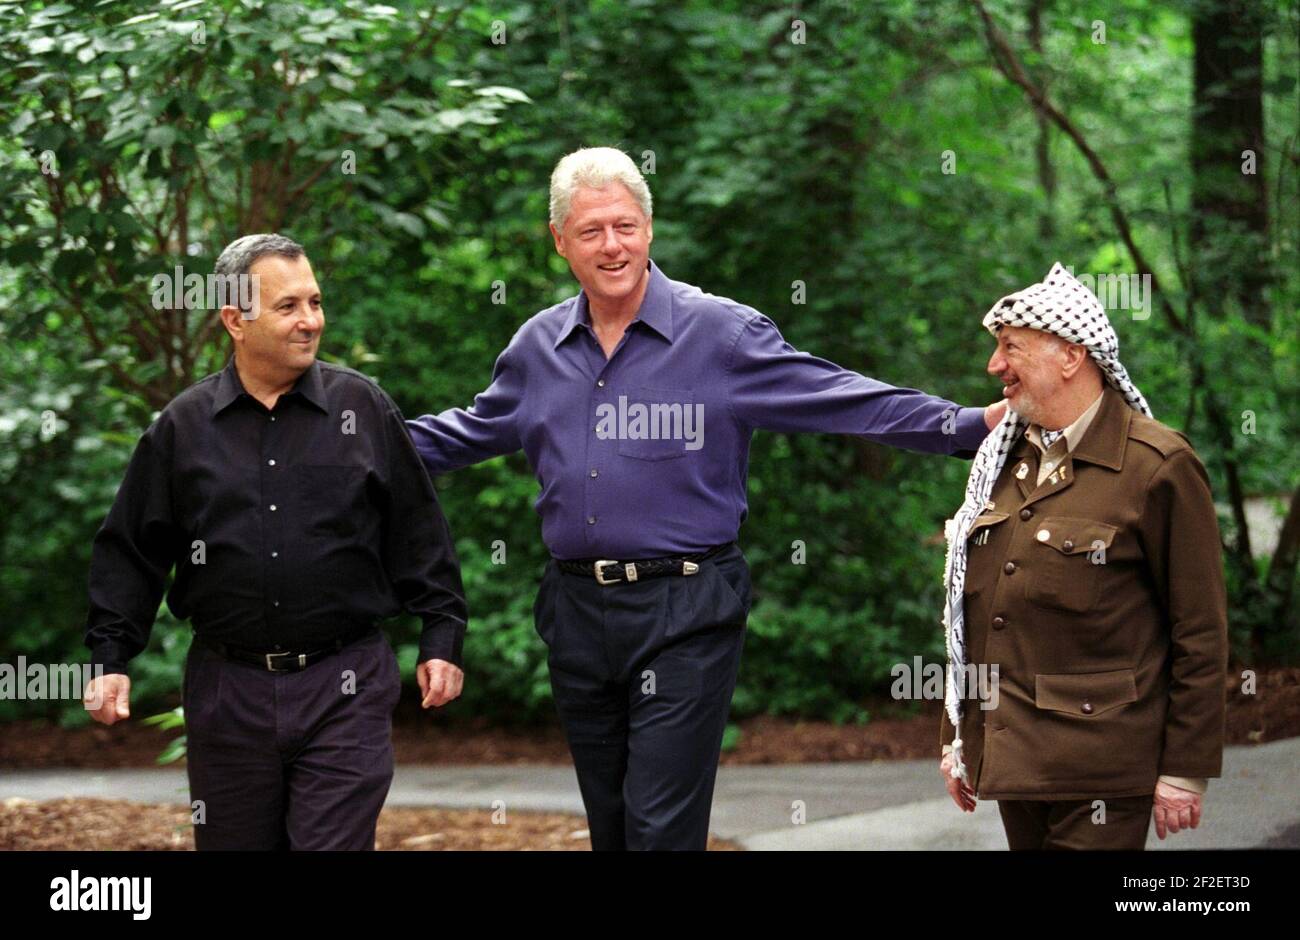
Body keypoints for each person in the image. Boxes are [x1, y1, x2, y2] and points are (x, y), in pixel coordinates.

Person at [408, 146, 1005, 850]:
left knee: (660, 830)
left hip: (685, 611)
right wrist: (341, 443)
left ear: (650, 229)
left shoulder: (720, 335)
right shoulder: (538, 347)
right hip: (575, 614)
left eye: (625, 226)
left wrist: (968, 427)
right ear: (560, 241)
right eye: (592, 229)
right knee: (614, 827)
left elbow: (841, 398)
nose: (612, 245)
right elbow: (461, 434)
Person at [83, 233, 467, 850]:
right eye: (289, 306)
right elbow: (133, 548)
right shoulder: (183, 426)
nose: (310, 321)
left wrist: (442, 635)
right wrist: (111, 656)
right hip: (226, 692)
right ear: (235, 319)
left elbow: (418, 531)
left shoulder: (361, 409)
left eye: (314, 302)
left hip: (345, 682)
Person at [938, 262, 1228, 849]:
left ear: (1070, 356)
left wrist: (1184, 768)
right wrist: (958, 737)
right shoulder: (1002, 461)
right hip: (1016, 761)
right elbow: (974, 614)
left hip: (1102, 768)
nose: (995, 366)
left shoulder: (1157, 465)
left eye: (1010, 347)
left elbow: (1200, 628)